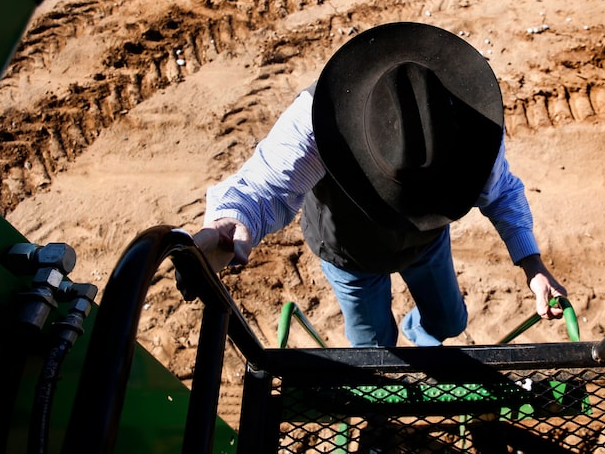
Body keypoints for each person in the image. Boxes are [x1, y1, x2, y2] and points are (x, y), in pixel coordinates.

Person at [192, 21, 567, 347]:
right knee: (374, 346)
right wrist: (232, 218)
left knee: (450, 322)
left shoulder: (470, 121)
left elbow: (501, 191)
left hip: (426, 244)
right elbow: (263, 185)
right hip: (350, 256)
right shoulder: (318, 122)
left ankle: (419, 338)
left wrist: (532, 265)